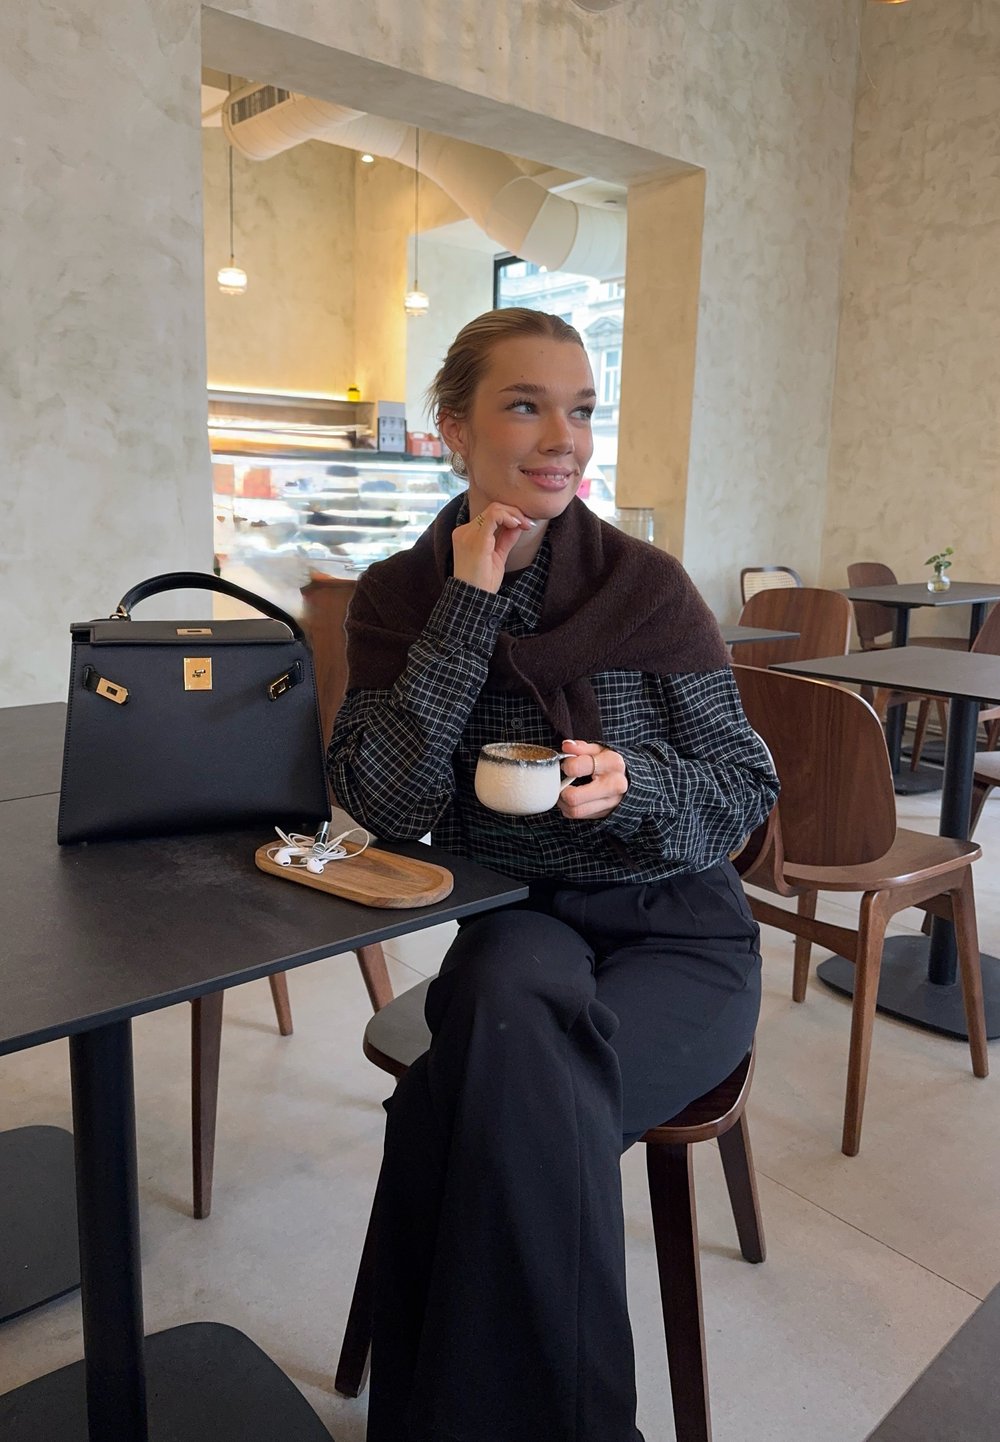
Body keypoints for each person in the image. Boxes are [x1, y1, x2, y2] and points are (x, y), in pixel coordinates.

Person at [327, 308, 779, 1442]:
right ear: (453, 429)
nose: (563, 438)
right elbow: (386, 803)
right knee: (513, 1036)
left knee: (474, 1106)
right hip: (520, 916)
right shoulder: (398, 595)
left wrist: (638, 784)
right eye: (525, 405)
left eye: (580, 409)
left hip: (678, 924)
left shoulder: (645, 586)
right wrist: (466, 607)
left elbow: (743, 787)